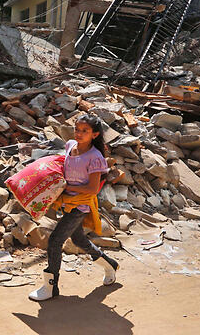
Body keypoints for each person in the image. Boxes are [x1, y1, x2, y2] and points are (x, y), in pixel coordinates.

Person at [29, 114, 119, 301]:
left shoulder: (95, 157)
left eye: (85, 131)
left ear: (94, 135)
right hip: (66, 203)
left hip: (81, 205)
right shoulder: (70, 145)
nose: (79, 133)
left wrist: (66, 187)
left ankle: (50, 287)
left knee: (55, 240)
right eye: (77, 129)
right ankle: (109, 263)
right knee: (79, 241)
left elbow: (93, 189)